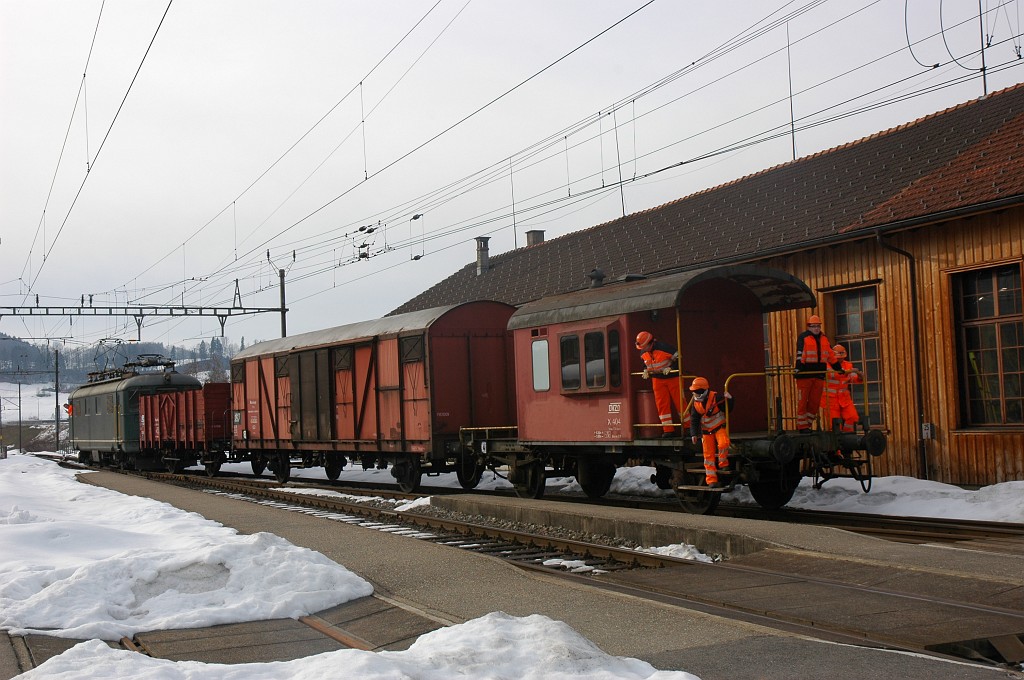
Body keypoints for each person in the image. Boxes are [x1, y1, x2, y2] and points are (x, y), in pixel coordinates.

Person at [794, 314, 844, 432]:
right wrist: (798, 369)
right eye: (814, 326)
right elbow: (800, 354)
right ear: (809, 327)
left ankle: (807, 425)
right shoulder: (803, 337)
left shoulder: (824, 339)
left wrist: (838, 368)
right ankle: (802, 427)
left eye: (818, 326)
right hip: (805, 376)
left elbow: (831, 355)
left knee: (814, 403)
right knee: (802, 402)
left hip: (819, 375)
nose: (816, 328)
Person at [635, 331, 682, 437]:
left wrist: (672, 368)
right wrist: (645, 370)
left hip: (673, 378)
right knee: (662, 405)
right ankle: (668, 430)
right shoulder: (643, 352)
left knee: (680, 402)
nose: (643, 349)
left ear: (650, 343)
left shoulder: (664, 348)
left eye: (644, 347)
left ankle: (688, 428)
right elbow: (645, 363)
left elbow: (679, 358)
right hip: (657, 379)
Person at [689, 376, 733, 487]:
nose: (694, 394)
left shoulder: (716, 397)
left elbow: (728, 409)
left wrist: (730, 399)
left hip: (719, 428)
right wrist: (694, 434)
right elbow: (694, 420)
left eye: (696, 392)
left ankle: (723, 464)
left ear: (702, 391)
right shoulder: (696, 404)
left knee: (723, 444)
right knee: (708, 457)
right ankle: (711, 481)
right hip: (706, 432)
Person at [821, 344, 863, 433]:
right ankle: (837, 440)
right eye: (838, 358)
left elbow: (852, 378)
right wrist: (846, 372)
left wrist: (859, 376)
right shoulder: (825, 365)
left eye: (842, 358)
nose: (840, 360)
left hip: (844, 399)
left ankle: (848, 436)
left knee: (853, 417)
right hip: (830, 400)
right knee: (835, 424)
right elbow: (834, 374)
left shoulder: (848, 365)